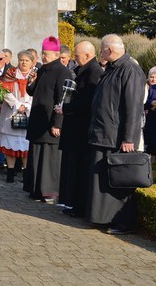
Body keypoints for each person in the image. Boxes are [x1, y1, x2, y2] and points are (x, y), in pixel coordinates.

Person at [86, 34, 146, 235]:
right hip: (103, 133)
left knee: (119, 182)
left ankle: (122, 222)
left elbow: (133, 107)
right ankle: (101, 218)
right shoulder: (113, 68)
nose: (100, 53)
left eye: (101, 49)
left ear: (109, 50)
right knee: (102, 180)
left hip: (117, 136)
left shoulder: (130, 70)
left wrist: (129, 138)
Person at [56, 41, 103, 217]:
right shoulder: (80, 70)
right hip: (73, 127)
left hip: (81, 129)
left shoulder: (94, 72)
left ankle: (79, 205)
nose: (75, 59)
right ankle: (72, 203)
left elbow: (88, 101)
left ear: (88, 55)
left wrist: (66, 109)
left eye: (77, 55)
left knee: (79, 169)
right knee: (72, 167)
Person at [25, 36, 72, 202]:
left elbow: (63, 98)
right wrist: (30, 81)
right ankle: (36, 189)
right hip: (38, 119)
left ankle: (50, 192)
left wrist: (57, 123)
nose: (44, 56)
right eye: (43, 53)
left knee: (49, 158)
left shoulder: (63, 72)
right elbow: (32, 91)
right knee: (37, 156)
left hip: (50, 121)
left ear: (56, 54)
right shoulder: (42, 69)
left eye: (47, 54)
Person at [0, 50, 35, 183]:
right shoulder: (10, 73)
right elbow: (4, 91)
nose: (23, 62)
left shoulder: (36, 75)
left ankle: (25, 172)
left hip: (28, 113)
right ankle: (10, 172)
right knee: (10, 145)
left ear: (32, 62)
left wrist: (27, 106)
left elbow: (38, 92)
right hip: (11, 112)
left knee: (26, 145)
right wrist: (17, 104)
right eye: (21, 60)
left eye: (26, 60)